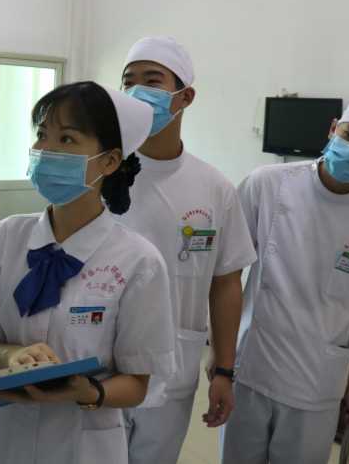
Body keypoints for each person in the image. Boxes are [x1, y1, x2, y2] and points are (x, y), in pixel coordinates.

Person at [0, 81, 175, 464]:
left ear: (109, 161)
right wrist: (13, 355)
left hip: (81, 443)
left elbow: (138, 383)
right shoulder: (7, 236)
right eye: (42, 135)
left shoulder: (138, 261)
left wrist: (87, 392)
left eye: (67, 139)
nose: (45, 149)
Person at [222, 87, 349, 464]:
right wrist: (221, 358)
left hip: (318, 383)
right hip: (251, 368)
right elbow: (226, 275)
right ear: (332, 129)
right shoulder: (266, 184)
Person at [119, 36, 257, 464]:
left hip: (173, 364)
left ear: (185, 96)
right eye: (128, 81)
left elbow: (226, 282)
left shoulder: (214, 188)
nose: (137, 91)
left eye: (152, 80)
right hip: (97, 362)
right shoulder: (101, 173)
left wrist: (224, 367)